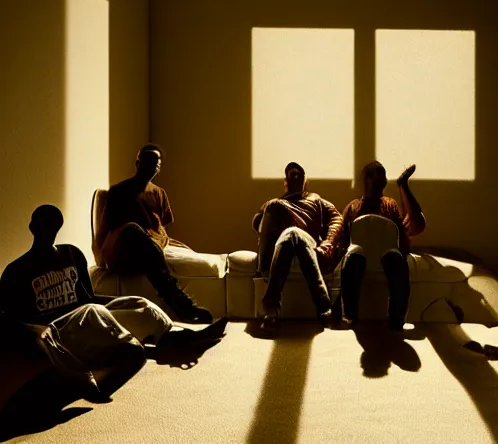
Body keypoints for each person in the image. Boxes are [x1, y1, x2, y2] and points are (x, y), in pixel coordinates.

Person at [0, 205, 228, 400]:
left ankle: (180, 338)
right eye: (43, 225)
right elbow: (19, 323)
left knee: (138, 304)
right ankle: (127, 355)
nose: (49, 230)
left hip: (89, 320)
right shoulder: (17, 271)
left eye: (53, 225)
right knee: (92, 311)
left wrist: (122, 303)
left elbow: (90, 297)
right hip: (58, 334)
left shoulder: (71, 255)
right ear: (32, 227)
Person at [98, 144, 213, 324]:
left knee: (149, 251)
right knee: (133, 230)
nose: (153, 166)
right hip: (123, 250)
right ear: (138, 163)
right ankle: (183, 306)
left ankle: (178, 313)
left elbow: (161, 227)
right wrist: (101, 258)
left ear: (159, 167)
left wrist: (159, 242)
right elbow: (106, 229)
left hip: (147, 252)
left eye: (156, 163)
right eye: (148, 161)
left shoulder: (159, 193)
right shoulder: (118, 192)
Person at [332, 162, 426, 332]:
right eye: (377, 175)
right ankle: (350, 315)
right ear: (366, 180)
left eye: (383, 176)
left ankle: (396, 318)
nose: (382, 180)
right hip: (360, 256)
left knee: (396, 259)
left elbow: (400, 234)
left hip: (385, 255)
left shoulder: (389, 205)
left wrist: (402, 250)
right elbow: (342, 239)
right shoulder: (353, 207)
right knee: (353, 257)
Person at [252, 162, 343, 331]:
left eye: (299, 175)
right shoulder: (275, 204)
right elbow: (257, 223)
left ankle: (271, 310)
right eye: (291, 175)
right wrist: (272, 214)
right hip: (282, 244)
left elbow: (337, 219)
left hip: (308, 243)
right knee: (288, 233)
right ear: (285, 182)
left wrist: (327, 243)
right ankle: (323, 307)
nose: (295, 178)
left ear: (305, 181)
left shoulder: (316, 200)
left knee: (294, 233)